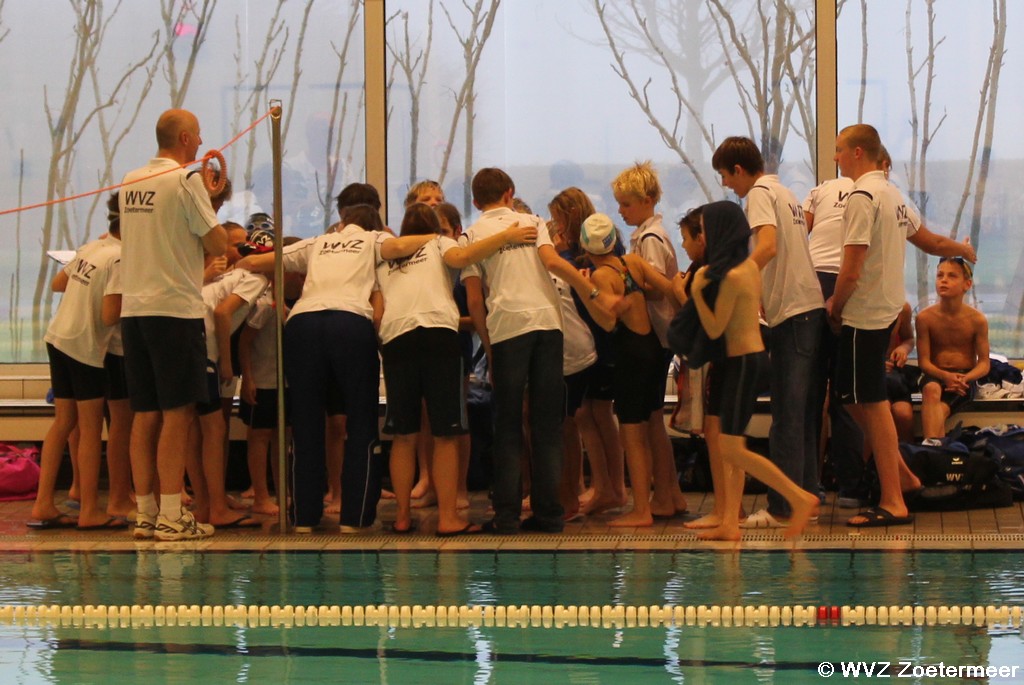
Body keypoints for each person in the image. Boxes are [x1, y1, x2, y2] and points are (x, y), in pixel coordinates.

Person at [829, 124, 970, 528]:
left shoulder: (862, 196)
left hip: (864, 312)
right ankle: (903, 477)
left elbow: (852, 267)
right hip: (882, 310)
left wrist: (835, 306)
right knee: (850, 397)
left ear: (858, 152)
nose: (836, 158)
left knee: (871, 405)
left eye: (839, 150)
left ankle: (894, 500)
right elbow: (929, 242)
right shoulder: (892, 195)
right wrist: (962, 248)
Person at [461, 168, 615, 534]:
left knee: (509, 425)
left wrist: (489, 345)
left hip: (509, 328)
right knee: (549, 424)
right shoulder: (532, 221)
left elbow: (474, 299)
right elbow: (551, 262)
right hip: (548, 325)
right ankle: (550, 514)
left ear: (474, 202)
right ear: (510, 193)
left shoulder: (471, 237)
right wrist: (592, 291)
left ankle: (507, 515)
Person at [376, 202, 537, 535]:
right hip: (437, 336)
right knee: (446, 435)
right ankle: (448, 517)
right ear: (435, 227)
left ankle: (403, 516)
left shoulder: (388, 255)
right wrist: (507, 235)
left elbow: (376, 309)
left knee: (403, 436)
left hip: (396, 339)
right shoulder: (438, 243)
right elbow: (463, 258)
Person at [238, 203, 383, 532]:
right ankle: (355, 517)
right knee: (360, 424)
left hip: (303, 324)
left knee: (304, 424)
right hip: (350, 322)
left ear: (342, 222)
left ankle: (303, 516)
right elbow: (402, 249)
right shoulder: (374, 242)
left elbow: (255, 261)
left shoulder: (317, 242)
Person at [119, 109, 227, 541]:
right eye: (198, 136)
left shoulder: (130, 180)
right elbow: (217, 242)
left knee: (144, 414)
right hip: (174, 311)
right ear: (184, 138)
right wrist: (209, 197)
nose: (201, 144)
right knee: (177, 413)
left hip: (135, 311)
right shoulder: (185, 180)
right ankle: (170, 514)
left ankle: (145, 513)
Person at [685, 201, 820, 541]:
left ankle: (799, 496)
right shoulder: (745, 266)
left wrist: (696, 293)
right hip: (749, 360)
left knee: (731, 448)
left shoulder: (729, 274)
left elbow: (715, 329)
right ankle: (730, 522)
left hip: (742, 365)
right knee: (733, 445)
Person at [712, 136, 825, 530]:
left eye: (726, 177)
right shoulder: (785, 192)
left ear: (739, 170)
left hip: (793, 313)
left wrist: (738, 278)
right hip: (805, 308)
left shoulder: (759, 193)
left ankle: (783, 508)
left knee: (786, 418)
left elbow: (770, 246)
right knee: (802, 414)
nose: (727, 185)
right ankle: (808, 494)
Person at [574, 213, 682, 527]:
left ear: (586, 248)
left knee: (631, 434)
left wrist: (590, 290)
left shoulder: (598, 277)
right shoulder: (631, 262)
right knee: (651, 424)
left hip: (629, 355)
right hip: (651, 347)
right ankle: (667, 496)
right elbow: (664, 288)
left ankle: (641, 510)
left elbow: (607, 321)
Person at [28, 195, 127, 531]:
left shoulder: (91, 247)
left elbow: (59, 284)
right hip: (84, 347)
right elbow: (110, 314)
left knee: (63, 423)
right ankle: (89, 511)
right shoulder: (120, 259)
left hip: (58, 337)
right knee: (88, 429)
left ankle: (42, 504)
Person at [611, 161, 687, 518]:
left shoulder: (651, 238)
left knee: (649, 421)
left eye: (626, 204)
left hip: (655, 337)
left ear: (648, 200)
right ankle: (669, 494)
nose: (621, 211)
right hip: (659, 337)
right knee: (655, 419)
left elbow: (659, 289)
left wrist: (630, 283)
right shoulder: (647, 235)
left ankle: (664, 494)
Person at [548, 187, 626, 516]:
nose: (555, 226)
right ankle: (607, 486)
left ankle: (611, 488)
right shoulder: (596, 247)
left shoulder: (582, 254)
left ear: (568, 217)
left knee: (594, 414)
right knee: (591, 414)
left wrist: (556, 249)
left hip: (599, 339)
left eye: (557, 219)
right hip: (596, 338)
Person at [916, 257, 989, 441]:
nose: (944, 280)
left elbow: (985, 364)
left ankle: (932, 454)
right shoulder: (925, 318)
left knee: (938, 411)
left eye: (952, 276)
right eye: (940, 275)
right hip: (935, 375)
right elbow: (924, 362)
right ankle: (937, 455)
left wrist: (965, 378)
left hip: (964, 378)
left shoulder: (977, 320)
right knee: (931, 389)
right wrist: (945, 376)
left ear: (967, 284)